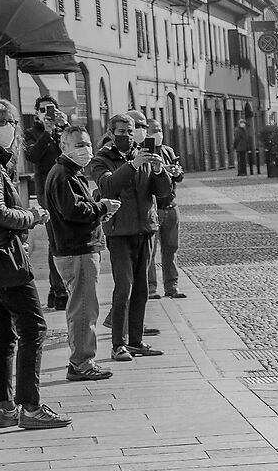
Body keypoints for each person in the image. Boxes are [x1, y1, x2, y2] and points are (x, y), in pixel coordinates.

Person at [0, 99, 67, 429]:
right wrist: (30, 216)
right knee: (34, 328)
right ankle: (30, 407)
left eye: (12, 121)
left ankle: (5, 408)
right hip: (3, 256)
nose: (9, 127)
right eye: (0, 121)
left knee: (3, 332)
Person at [41, 121, 121, 383]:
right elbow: (73, 211)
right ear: (64, 146)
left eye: (87, 144)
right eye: (79, 145)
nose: (85, 149)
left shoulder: (70, 173)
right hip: (76, 250)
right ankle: (81, 362)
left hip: (78, 247)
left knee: (83, 306)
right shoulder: (63, 174)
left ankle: (82, 360)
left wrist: (97, 208)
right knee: (84, 308)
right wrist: (101, 207)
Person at [89, 120, 162, 361]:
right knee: (124, 287)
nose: (128, 136)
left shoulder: (143, 156)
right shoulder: (101, 160)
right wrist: (132, 165)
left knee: (141, 288)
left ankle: (136, 341)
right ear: (111, 133)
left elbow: (162, 193)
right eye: (122, 132)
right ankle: (118, 344)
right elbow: (108, 185)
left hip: (145, 229)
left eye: (131, 132)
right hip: (120, 232)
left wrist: (159, 171)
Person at [24, 101, 69, 309]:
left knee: (65, 237)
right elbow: (32, 156)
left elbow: (76, 149)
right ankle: (59, 290)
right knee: (54, 238)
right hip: (46, 190)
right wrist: (47, 132)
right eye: (43, 110)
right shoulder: (32, 133)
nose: (47, 113)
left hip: (67, 187)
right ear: (37, 113)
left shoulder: (63, 130)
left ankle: (56, 288)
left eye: (51, 109)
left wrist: (65, 126)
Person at [139, 129, 186, 299]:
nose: (158, 133)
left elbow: (179, 176)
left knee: (171, 248)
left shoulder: (168, 151)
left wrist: (177, 172)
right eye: (154, 130)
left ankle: (172, 286)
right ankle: (151, 287)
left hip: (171, 206)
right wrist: (163, 169)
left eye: (160, 130)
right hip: (154, 208)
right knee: (150, 251)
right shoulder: (142, 152)